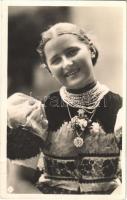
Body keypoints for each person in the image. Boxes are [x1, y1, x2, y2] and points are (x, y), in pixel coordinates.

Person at [7, 22, 122, 194]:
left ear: (90, 49)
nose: (67, 63)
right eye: (56, 60)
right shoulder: (40, 113)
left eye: (72, 52)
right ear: (49, 70)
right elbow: (19, 181)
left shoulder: (119, 108)